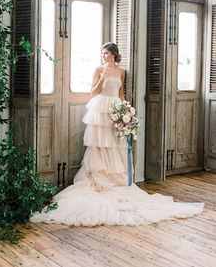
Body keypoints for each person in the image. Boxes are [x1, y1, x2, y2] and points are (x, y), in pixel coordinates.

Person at [31, 42, 204, 226]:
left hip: (115, 109)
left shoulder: (122, 72)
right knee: (99, 145)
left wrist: (125, 112)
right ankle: (99, 179)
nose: (103, 56)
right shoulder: (98, 69)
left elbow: (121, 93)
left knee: (114, 145)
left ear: (113, 54)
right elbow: (93, 92)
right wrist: (102, 77)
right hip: (100, 110)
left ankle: (114, 178)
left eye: (106, 53)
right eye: (102, 53)